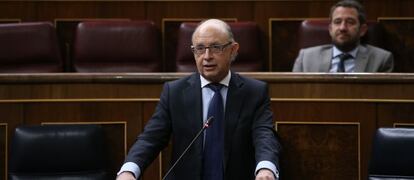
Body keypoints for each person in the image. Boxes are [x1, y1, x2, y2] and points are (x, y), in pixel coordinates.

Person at [116, 19, 281, 180]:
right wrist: (129, 170)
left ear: (233, 49)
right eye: (200, 49)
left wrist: (265, 168)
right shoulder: (175, 92)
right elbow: (151, 138)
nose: (207, 56)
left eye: (216, 47)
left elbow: (264, 135)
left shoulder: (254, 92)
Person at [292, 0, 394, 72]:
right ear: (330, 29)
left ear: (362, 30)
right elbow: (294, 94)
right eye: (337, 22)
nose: (342, 28)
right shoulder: (306, 58)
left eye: (350, 22)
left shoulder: (382, 59)